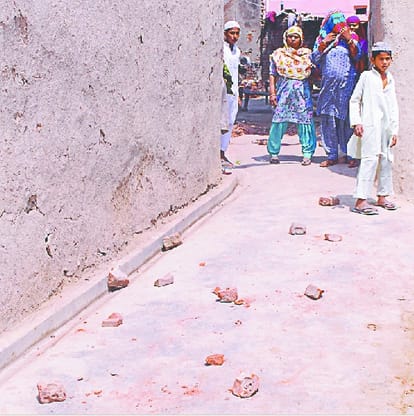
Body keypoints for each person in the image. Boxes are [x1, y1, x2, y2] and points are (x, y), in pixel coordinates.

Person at [348, 42, 399, 215]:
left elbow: (393, 106)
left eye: (387, 59)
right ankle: (361, 200)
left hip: (386, 127)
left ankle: (382, 196)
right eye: (381, 59)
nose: (384, 62)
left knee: (386, 160)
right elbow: (355, 100)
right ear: (373, 60)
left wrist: (394, 130)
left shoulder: (390, 79)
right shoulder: (367, 77)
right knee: (369, 160)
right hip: (369, 125)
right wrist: (357, 122)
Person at [311, 11, 361, 168]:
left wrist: (348, 39)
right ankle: (331, 155)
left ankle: (349, 154)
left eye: (341, 20)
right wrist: (325, 43)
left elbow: (357, 56)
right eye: (335, 20)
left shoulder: (350, 37)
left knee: (346, 120)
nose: (338, 23)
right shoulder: (321, 38)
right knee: (328, 119)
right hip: (328, 87)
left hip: (346, 86)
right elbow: (314, 59)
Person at [267, 25, 316, 166]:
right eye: (290, 36)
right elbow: (272, 74)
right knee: (279, 121)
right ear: (285, 38)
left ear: (301, 39)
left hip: (302, 94)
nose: (293, 39)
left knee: (305, 122)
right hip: (284, 93)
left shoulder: (307, 55)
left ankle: (307, 153)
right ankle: (274, 153)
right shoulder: (278, 55)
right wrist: (272, 93)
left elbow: (312, 75)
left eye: (296, 37)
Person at [221, 20, 241, 169]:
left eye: (237, 33)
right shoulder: (221, 49)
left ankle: (223, 151)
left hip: (233, 92)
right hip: (223, 91)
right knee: (222, 121)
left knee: (230, 121)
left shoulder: (237, 51)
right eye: (231, 33)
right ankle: (218, 153)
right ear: (225, 34)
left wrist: (238, 94)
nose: (234, 36)